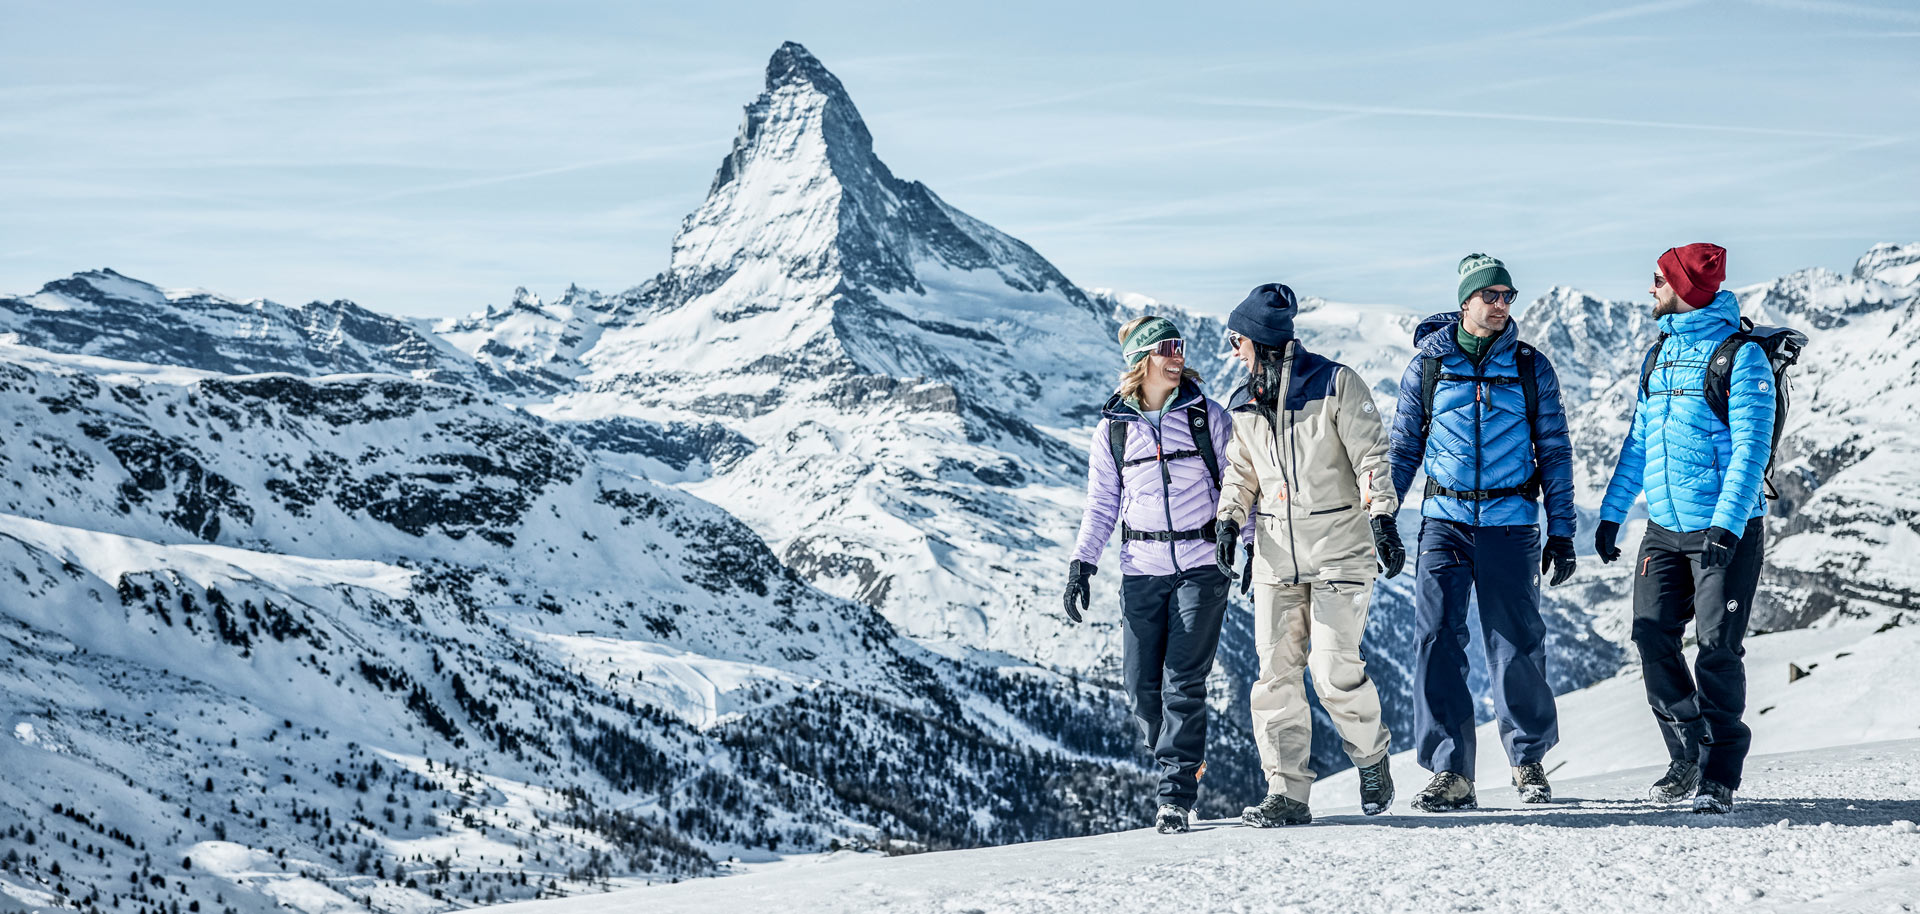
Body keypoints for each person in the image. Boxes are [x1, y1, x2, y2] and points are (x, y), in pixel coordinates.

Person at [1386, 253, 1577, 812]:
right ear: (1465, 301)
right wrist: (1382, 518)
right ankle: (1451, 773)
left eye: (1507, 297)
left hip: (1511, 524)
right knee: (1436, 641)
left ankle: (1529, 761)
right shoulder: (1427, 366)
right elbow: (1402, 450)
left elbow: (1556, 453)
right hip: (1443, 524)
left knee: (1516, 645)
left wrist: (1561, 532)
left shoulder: (1529, 367)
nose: (1500, 306)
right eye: (1490, 296)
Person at [1212, 283, 1403, 826]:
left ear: (1256, 339)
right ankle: (1287, 792)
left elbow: (1371, 455)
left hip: (1340, 550)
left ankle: (1370, 757)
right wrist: (1229, 521)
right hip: (1275, 554)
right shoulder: (1243, 401)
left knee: (1331, 667)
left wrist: (1383, 517)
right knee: (1274, 675)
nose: (1232, 350)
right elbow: (1242, 472)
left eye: (1235, 340)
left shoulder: (1336, 384)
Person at [1595, 243, 1774, 814]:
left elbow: (1750, 450)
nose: (1649, 289)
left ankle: (1718, 774)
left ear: (1682, 287)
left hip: (1723, 532)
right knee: (1651, 636)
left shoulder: (1739, 358)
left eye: (1657, 280)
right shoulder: (1661, 354)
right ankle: (1687, 750)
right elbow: (1639, 440)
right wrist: (1612, 512)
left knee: (1718, 650)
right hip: (1664, 531)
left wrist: (1726, 526)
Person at [1066, 315, 1235, 835]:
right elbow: (1101, 505)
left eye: (1179, 345)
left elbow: (1238, 485)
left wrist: (1243, 542)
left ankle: (1175, 795)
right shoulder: (1113, 430)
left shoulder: (1208, 417)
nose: (1177, 354)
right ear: (1141, 362)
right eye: (1166, 347)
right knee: (1141, 689)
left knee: (1183, 681)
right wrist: (1082, 564)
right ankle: (1178, 757)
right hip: (1141, 569)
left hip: (1203, 566)